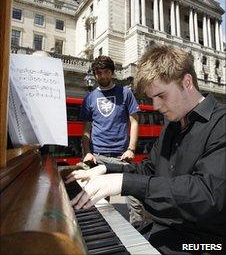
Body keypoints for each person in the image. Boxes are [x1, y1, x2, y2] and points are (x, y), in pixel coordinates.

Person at [67, 45, 226, 254]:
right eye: (152, 98)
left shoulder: (221, 122)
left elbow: (207, 193)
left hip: (206, 244)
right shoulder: (172, 125)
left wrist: (125, 183)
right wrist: (106, 169)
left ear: (187, 83)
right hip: (161, 231)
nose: (157, 106)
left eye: (161, 96)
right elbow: (149, 169)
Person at [79, 55, 147, 228]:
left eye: (105, 72)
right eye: (98, 73)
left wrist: (131, 149)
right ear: (94, 75)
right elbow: (86, 129)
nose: (102, 76)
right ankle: (106, 233)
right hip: (97, 157)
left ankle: (140, 235)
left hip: (122, 157)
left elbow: (134, 122)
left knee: (135, 202)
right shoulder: (89, 98)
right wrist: (86, 152)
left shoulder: (125, 93)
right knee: (98, 201)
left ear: (112, 73)